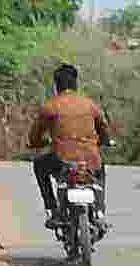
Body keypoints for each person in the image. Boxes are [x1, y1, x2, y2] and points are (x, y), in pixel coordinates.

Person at [29, 64, 107, 225]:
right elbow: (103, 127)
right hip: (90, 159)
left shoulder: (50, 106)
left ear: (56, 85)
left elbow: (35, 134)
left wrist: (37, 143)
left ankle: (52, 208)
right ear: (75, 84)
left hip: (62, 160)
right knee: (100, 170)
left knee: (39, 165)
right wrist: (105, 140)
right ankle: (99, 210)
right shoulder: (90, 104)